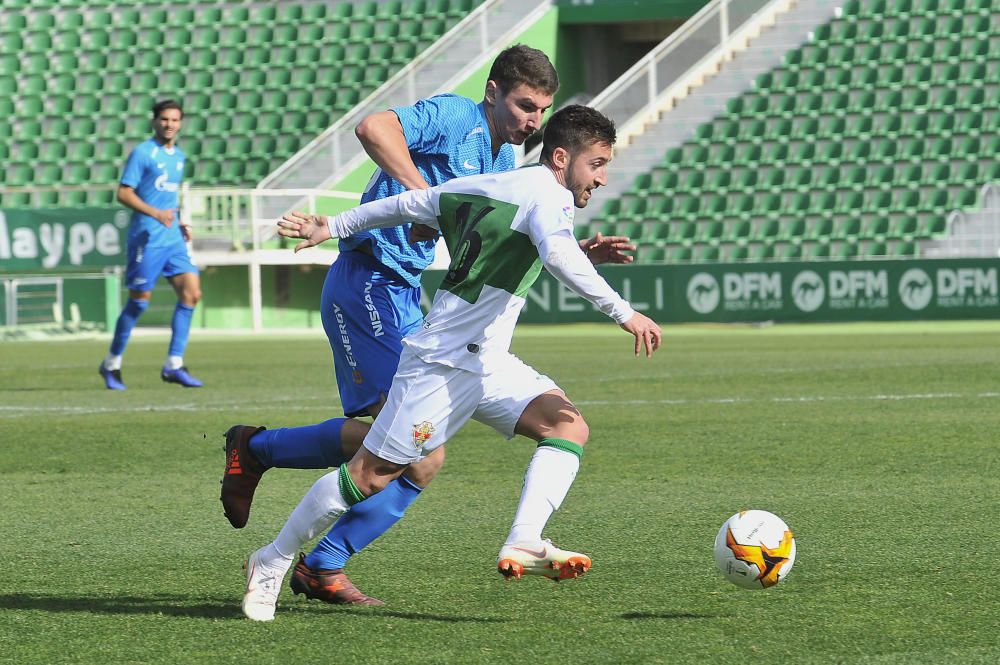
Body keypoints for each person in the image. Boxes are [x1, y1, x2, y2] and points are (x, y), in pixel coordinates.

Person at [221, 46, 634, 604]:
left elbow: (511, 239)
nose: (532, 121)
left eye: (542, 110)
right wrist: (420, 197)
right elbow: (373, 127)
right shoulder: (455, 116)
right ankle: (266, 464)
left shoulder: (506, 167)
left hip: (414, 300)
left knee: (419, 458)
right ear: (493, 92)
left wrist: (572, 251)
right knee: (397, 457)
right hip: (369, 280)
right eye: (524, 106)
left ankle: (317, 550)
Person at [98, 99, 203, 390]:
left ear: (181, 123)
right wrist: (155, 213)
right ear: (155, 121)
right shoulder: (143, 153)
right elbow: (123, 193)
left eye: (175, 120)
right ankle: (111, 364)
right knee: (138, 303)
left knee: (192, 294)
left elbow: (167, 200)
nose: (169, 124)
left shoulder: (179, 156)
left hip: (172, 238)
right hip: (147, 237)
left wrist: (178, 220)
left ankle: (174, 365)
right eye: (164, 119)